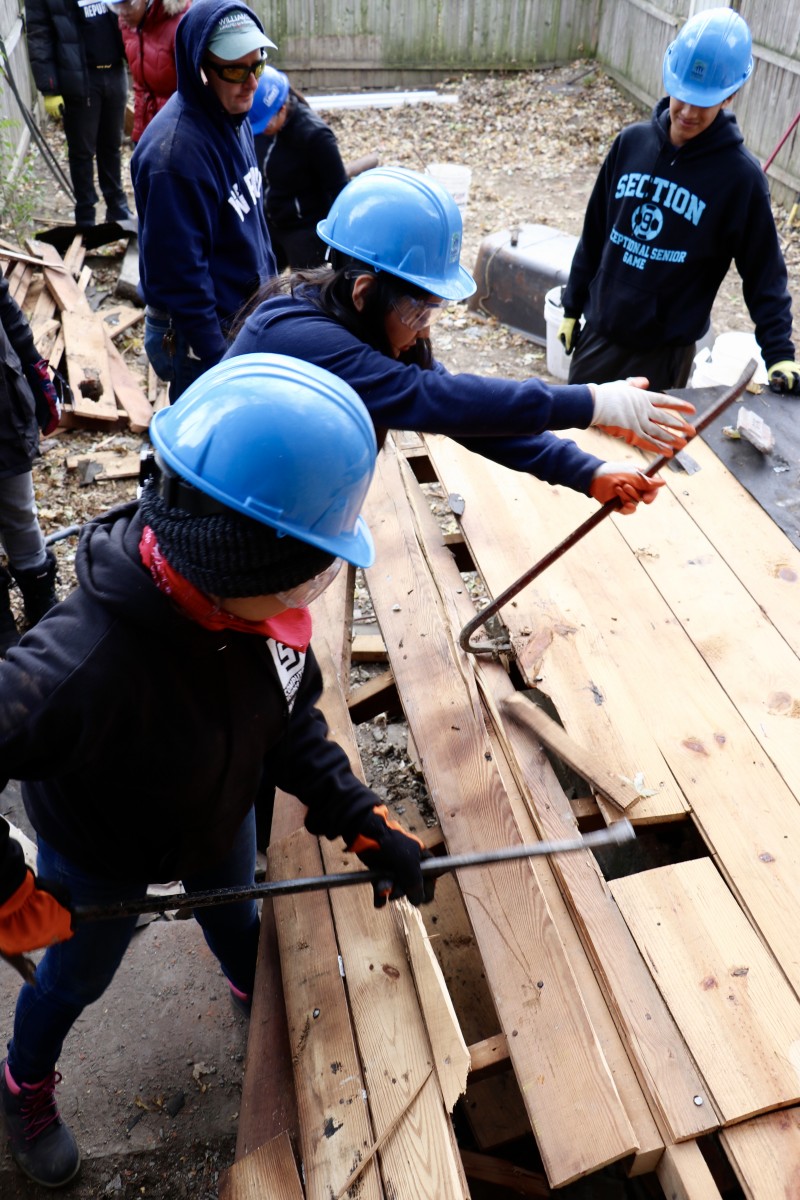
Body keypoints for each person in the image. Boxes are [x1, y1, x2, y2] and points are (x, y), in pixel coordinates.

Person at [0, 352, 435, 1188]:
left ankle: (254, 990)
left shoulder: (261, 622)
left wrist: (358, 813)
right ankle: (21, 1081)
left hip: (218, 818)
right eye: (311, 566)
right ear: (239, 560)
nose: (318, 588)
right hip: (100, 854)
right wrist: (2, 884)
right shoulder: (80, 664)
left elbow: (286, 726)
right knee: (74, 976)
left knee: (238, 921)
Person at [228, 166, 696, 512]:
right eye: (417, 309)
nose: (424, 330)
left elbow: (466, 413)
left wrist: (587, 472)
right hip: (223, 525)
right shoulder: (300, 338)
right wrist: (592, 402)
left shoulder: (362, 323)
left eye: (435, 309)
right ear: (364, 291)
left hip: (277, 506)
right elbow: (436, 398)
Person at [558, 8, 800, 395]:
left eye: (702, 102)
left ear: (730, 94)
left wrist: (779, 352)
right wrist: (573, 305)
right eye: (681, 96)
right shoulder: (630, 144)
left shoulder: (740, 178)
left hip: (662, 356)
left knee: (641, 455)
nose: (686, 111)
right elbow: (595, 231)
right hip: (599, 336)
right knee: (575, 443)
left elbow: (764, 273)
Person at [131, 0, 278, 401]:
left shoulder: (234, 114)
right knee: (210, 440)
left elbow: (251, 219)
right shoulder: (173, 157)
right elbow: (183, 281)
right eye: (234, 69)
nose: (251, 82)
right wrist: (221, 363)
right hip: (203, 333)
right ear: (199, 68)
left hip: (246, 313)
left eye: (257, 64)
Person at [25, 0, 133, 230]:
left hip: (115, 71)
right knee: (82, 151)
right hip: (79, 77)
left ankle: (117, 207)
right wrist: (50, 87)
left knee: (112, 144)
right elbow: (39, 34)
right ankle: (85, 215)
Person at [0, 275, 62, 656]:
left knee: (20, 510)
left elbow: (4, 305)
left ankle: (41, 600)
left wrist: (35, 366)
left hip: (2, 402)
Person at [249, 66, 350, 271]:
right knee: (256, 283)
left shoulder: (315, 136)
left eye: (265, 124)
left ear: (282, 109)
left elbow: (339, 191)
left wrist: (338, 247)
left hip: (304, 230)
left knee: (306, 294)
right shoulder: (260, 127)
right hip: (269, 222)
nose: (261, 131)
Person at [108, 0, 192, 145]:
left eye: (128, 4)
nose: (123, 12)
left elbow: (195, 89)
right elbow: (141, 85)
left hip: (180, 128)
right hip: (148, 126)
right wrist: (139, 133)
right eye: (117, 7)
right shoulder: (129, 26)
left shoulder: (180, 23)